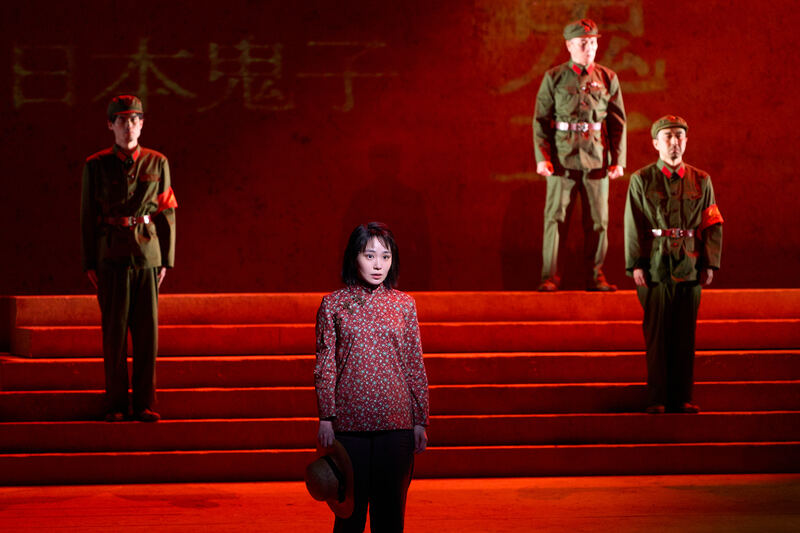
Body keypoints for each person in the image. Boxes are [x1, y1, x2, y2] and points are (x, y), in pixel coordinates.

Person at [314, 221, 429, 533]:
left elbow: (414, 363)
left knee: (390, 517)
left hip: (397, 424)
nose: (378, 265)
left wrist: (420, 420)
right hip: (349, 425)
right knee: (349, 517)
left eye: (385, 257)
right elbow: (325, 365)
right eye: (369, 255)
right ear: (354, 257)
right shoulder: (333, 304)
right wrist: (326, 416)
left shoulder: (404, 304)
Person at [80, 94, 177, 422]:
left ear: (142, 123)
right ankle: (116, 404)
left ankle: (145, 403)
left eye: (135, 119)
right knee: (114, 335)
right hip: (110, 255)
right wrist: (89, 261)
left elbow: (167, 213)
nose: (129, 126)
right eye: (122, 120)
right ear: (110, 125)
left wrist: (166, 260)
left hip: (147, 254)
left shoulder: (157, 162)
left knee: (148, 334)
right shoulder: (95, 165)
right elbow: (87, 216)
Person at [624, 115, 723, 414]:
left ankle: (682, 398)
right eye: (667, 136)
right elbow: (633, 224)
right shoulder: (642, 179)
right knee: (657, 336)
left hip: (689, 266)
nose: (674, 141)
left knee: (685, 335)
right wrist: (636, 263)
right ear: (656, 143)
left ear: (686, 141)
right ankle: (657, 398)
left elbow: (712, 222)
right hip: (655, 266)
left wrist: (710, 263)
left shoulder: (701, 180)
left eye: (679, 136)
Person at [533, 18, 627, 291]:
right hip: (561, 160)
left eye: (594, 42)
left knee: (598, 221)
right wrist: (542, 157)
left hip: (596, 159)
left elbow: (617, 123)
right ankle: (549, 277)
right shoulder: (554, 77)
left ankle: (596, 276)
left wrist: (618, 160)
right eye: (584, 43)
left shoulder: (608, 78)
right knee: (555, 219)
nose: (591, 47)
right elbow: (541, 120)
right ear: (569, 45)